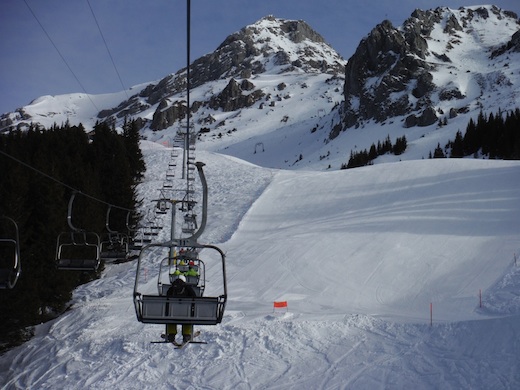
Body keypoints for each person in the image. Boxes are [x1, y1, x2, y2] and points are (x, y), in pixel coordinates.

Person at [165, 274, 196, 343]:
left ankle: (171, 334)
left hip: (173, 313)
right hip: (186, 313)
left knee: (170, 318)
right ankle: (186, 334)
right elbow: (195, 298)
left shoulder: (171, 289)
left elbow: (167, 300)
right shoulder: (188, 288)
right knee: (188, 318)